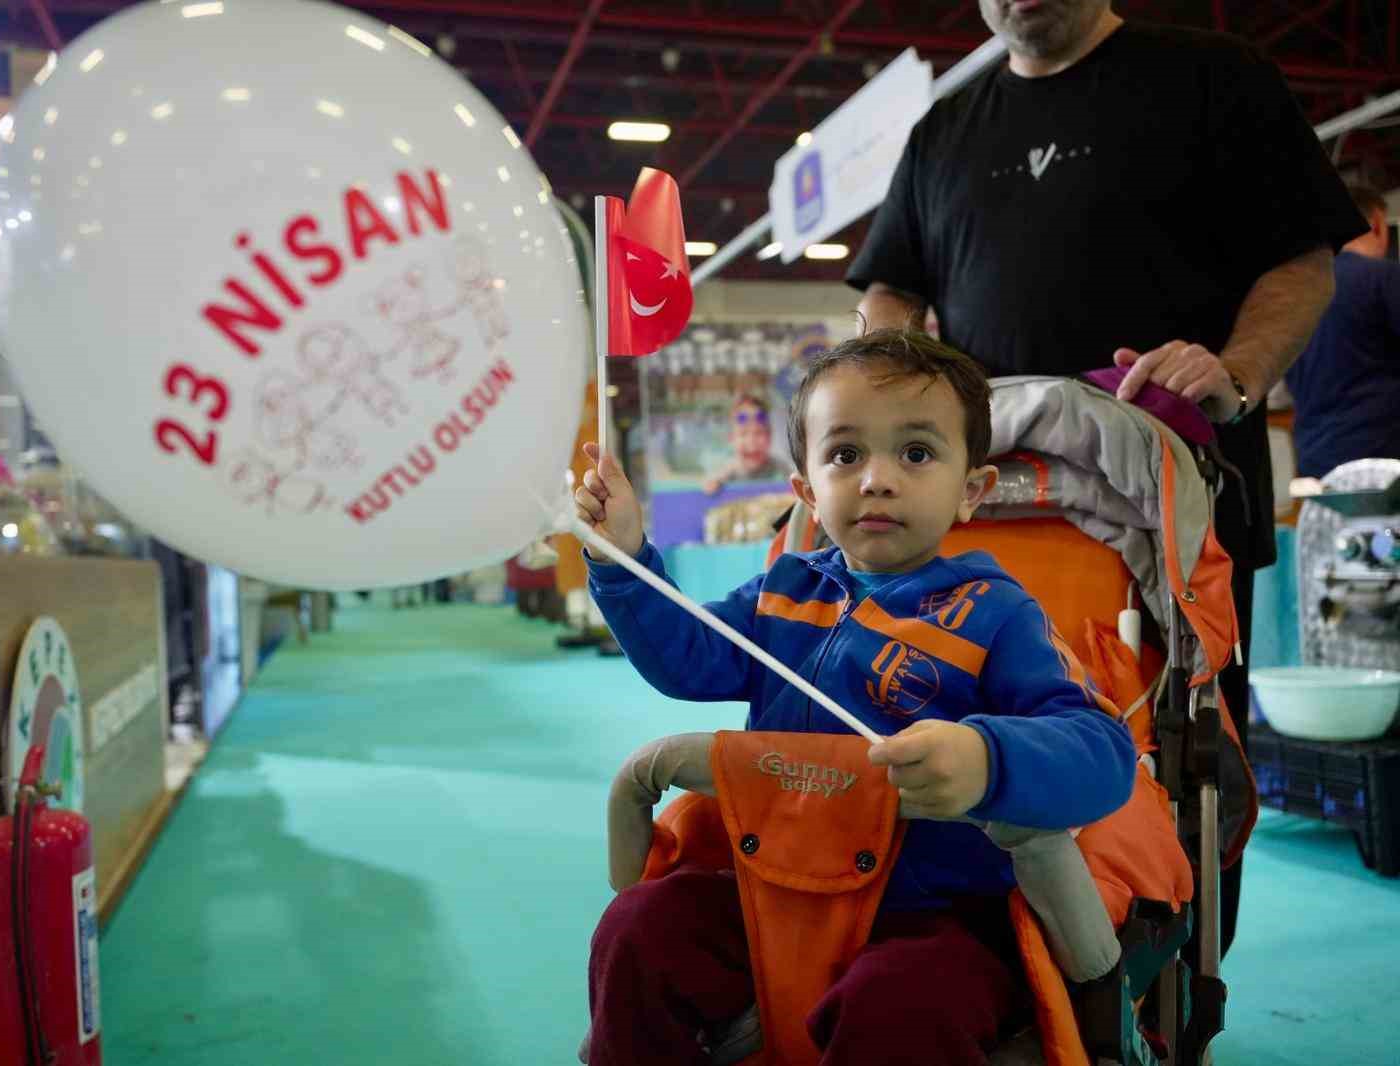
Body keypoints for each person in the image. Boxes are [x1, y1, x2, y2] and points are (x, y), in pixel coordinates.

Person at [846, 0, 1366, 957]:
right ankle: (997, 979)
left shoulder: (1216, 78)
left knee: (1180, 761)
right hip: (988, 523)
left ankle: (1179, 991)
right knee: (974, 752)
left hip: (1180, 518)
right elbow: (892, 286)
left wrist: (1235, 372)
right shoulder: (945, 130)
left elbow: (1302, 261)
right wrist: (892, 392)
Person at [575, 331, 1136, 1066]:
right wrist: (623, 559)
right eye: (844, 454)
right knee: (639, 929)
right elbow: (687, 658)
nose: (876, 479)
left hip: (937, 914)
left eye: (916, 453)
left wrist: (987, 758)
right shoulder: (783, 594)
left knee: (900, 1009)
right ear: (808, 492)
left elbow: (1102, 751)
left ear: (971, 491)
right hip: (770, 885)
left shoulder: (997, 614)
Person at [1284, 184, 1400, 478]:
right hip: (1382, 458)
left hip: (1315, 457)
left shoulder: (1295, 293)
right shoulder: (1385, 279)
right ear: (1377, 223)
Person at [700, 393, 789, 495]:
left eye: (759, 433)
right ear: (731, 439)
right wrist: (713, 482)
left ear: (770, 437)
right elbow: (709, 483)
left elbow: (797, 481)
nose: (751, 441)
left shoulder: (779, 467)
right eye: (743, 434)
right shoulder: (728, 470)